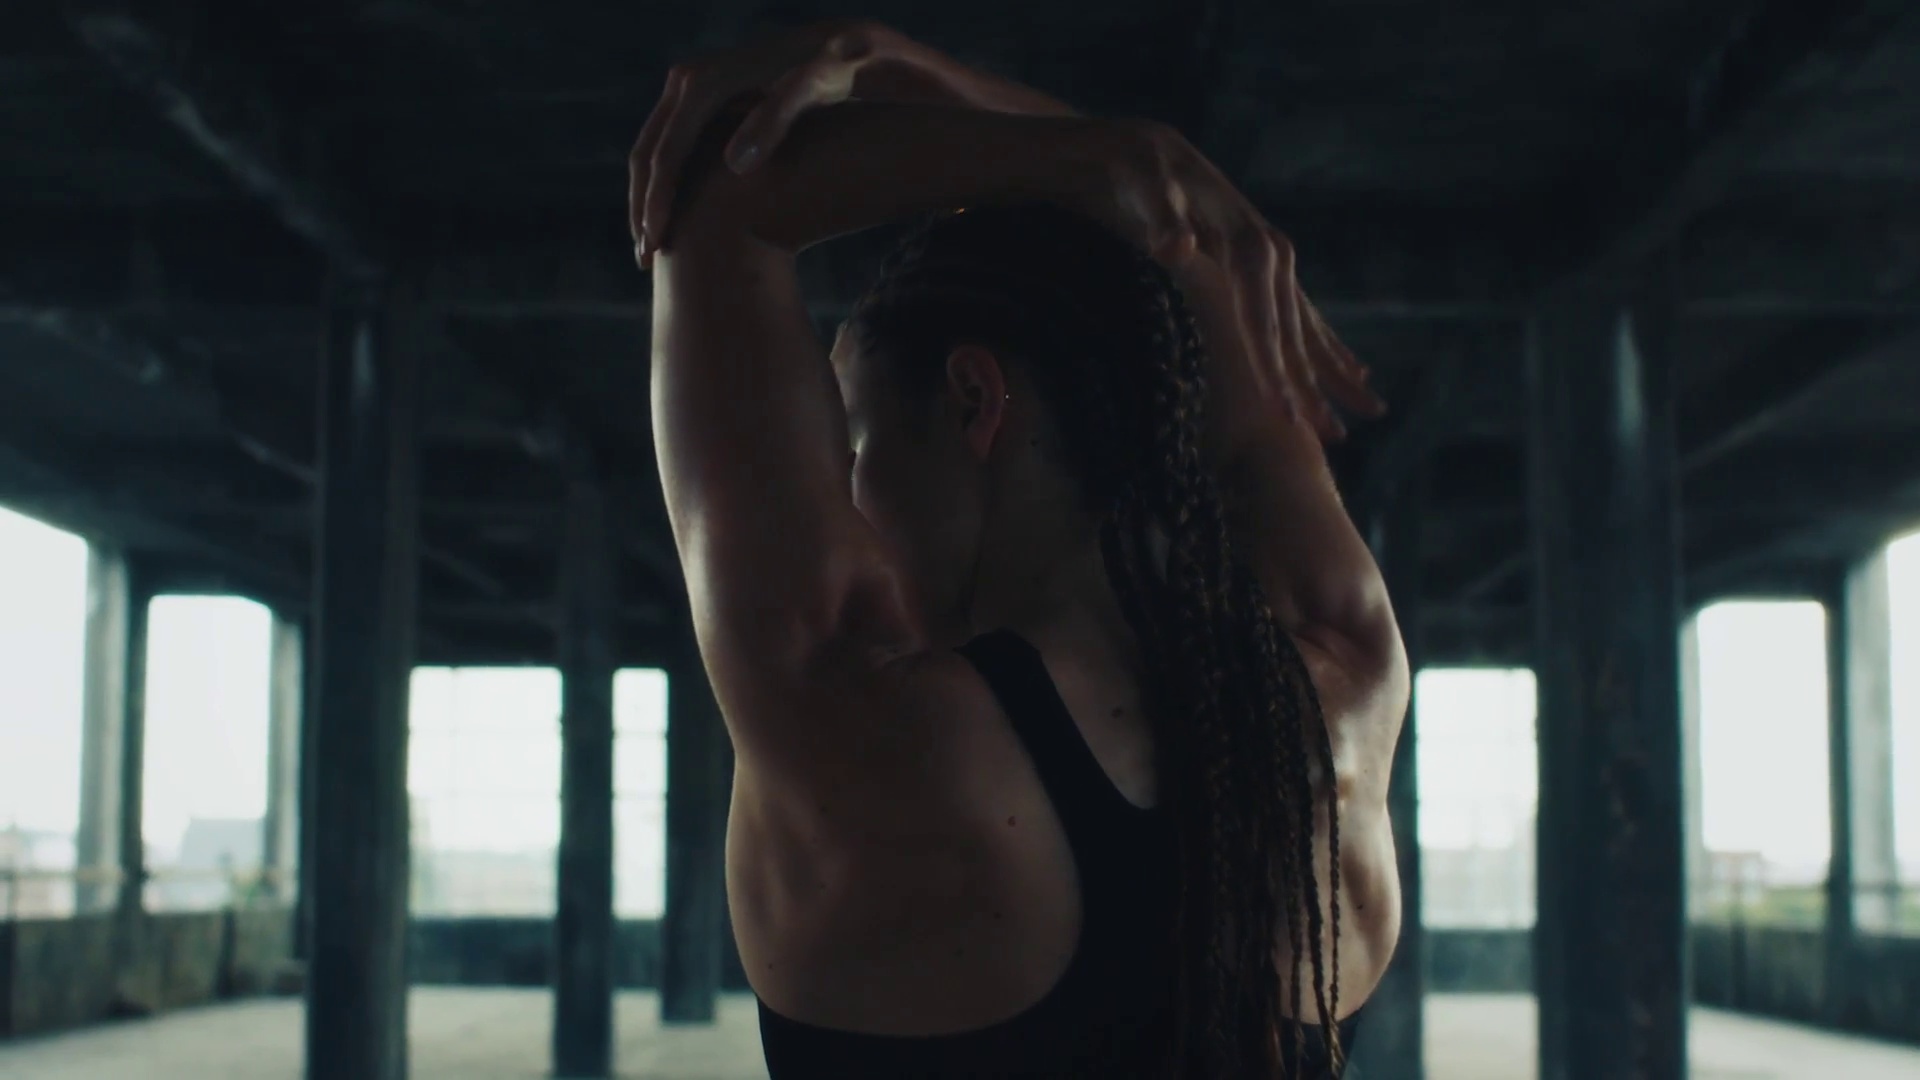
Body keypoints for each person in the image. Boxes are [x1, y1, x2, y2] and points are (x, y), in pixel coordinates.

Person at [630, 21, 1410, 1079]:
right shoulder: (1345, 680)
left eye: (856, 443)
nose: (848, 492)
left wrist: (1070, 147)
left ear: (973, 399)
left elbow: (721, 206)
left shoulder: (861, 723)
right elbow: (1173, 228)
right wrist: (1087, 146)